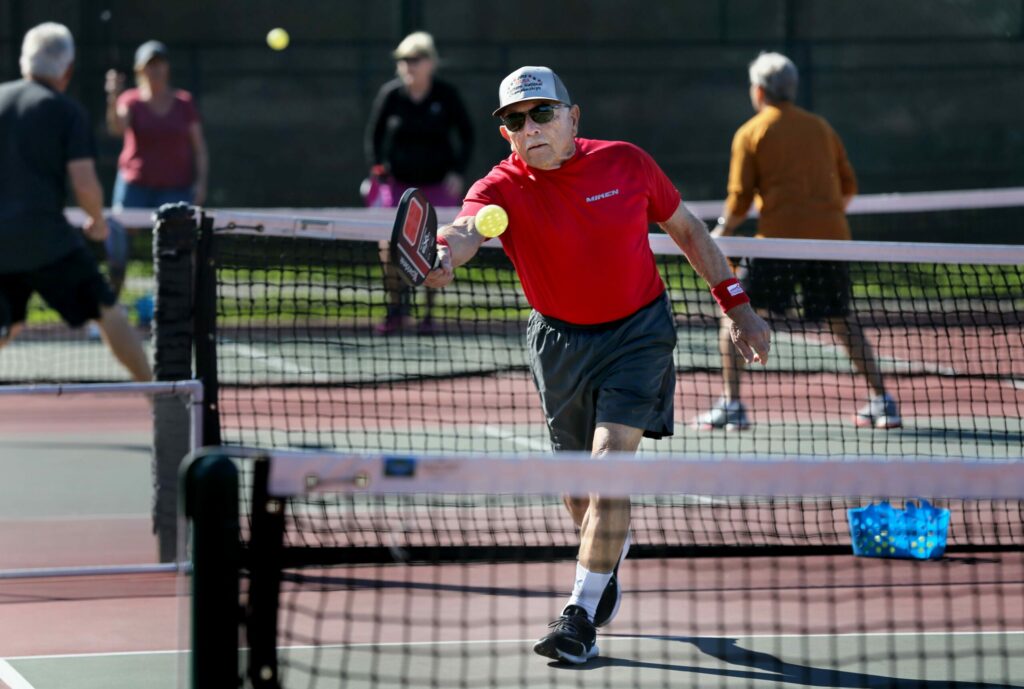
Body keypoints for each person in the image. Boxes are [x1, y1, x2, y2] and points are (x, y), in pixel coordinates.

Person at [424, 66, 771, 664]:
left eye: (541, 113)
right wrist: (441, 257)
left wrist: (736, 305)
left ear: (572, 117)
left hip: (638, 333)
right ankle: (608, 550)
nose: (528, 127)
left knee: (611, 466)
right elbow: (463, 231)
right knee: (578, 487)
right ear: (505, 133)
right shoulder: (501, 187)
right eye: (514, 120)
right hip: (558, 342)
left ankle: (578, 616)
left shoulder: (626, 163)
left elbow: (686, 229)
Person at [695, 52, 900, 431]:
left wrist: (720, 232)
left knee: (733, 314)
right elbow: (848, 185)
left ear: (758, 91)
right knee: (842, 320)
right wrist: (820, 214)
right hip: (831, 242)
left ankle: (732, 405)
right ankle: (883, 401)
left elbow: (739, 199)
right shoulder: (821, 127)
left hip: (776, 245)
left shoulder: (751, 132)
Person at [0, 23, 151, 382]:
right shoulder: (67, 112)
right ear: (67, 70)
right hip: (48, 242)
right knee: (108, 310)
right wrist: (97, 221)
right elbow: (84, 183)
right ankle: (162, 401)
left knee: (10, 324)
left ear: (25, 62)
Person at [365, 31, 474, 335]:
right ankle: (397, 308)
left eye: (414, 59)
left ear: (430, 62)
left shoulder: (446, 95)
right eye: (403, 60)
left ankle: (428, 313)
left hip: (438, 186)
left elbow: (466, 133)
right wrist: (378, 169)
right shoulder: (391, 95)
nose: (408, 66)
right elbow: (374, 136)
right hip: (398, 187)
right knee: (389, 248)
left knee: (437, 249)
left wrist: (457, 171)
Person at [103, 39, 208, 299]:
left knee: (179, 250)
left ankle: (178, 307)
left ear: (167, 68)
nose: (156, 70)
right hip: (134, 186)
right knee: (116, 241)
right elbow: (117, 128)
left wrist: (201, 184)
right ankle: (110, 305)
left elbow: (200, 148)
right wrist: (113, 96)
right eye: (150, 65)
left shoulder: (184, 103)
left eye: (159, 64)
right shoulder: (131, 101)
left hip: (175, 188)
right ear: (140, 70)